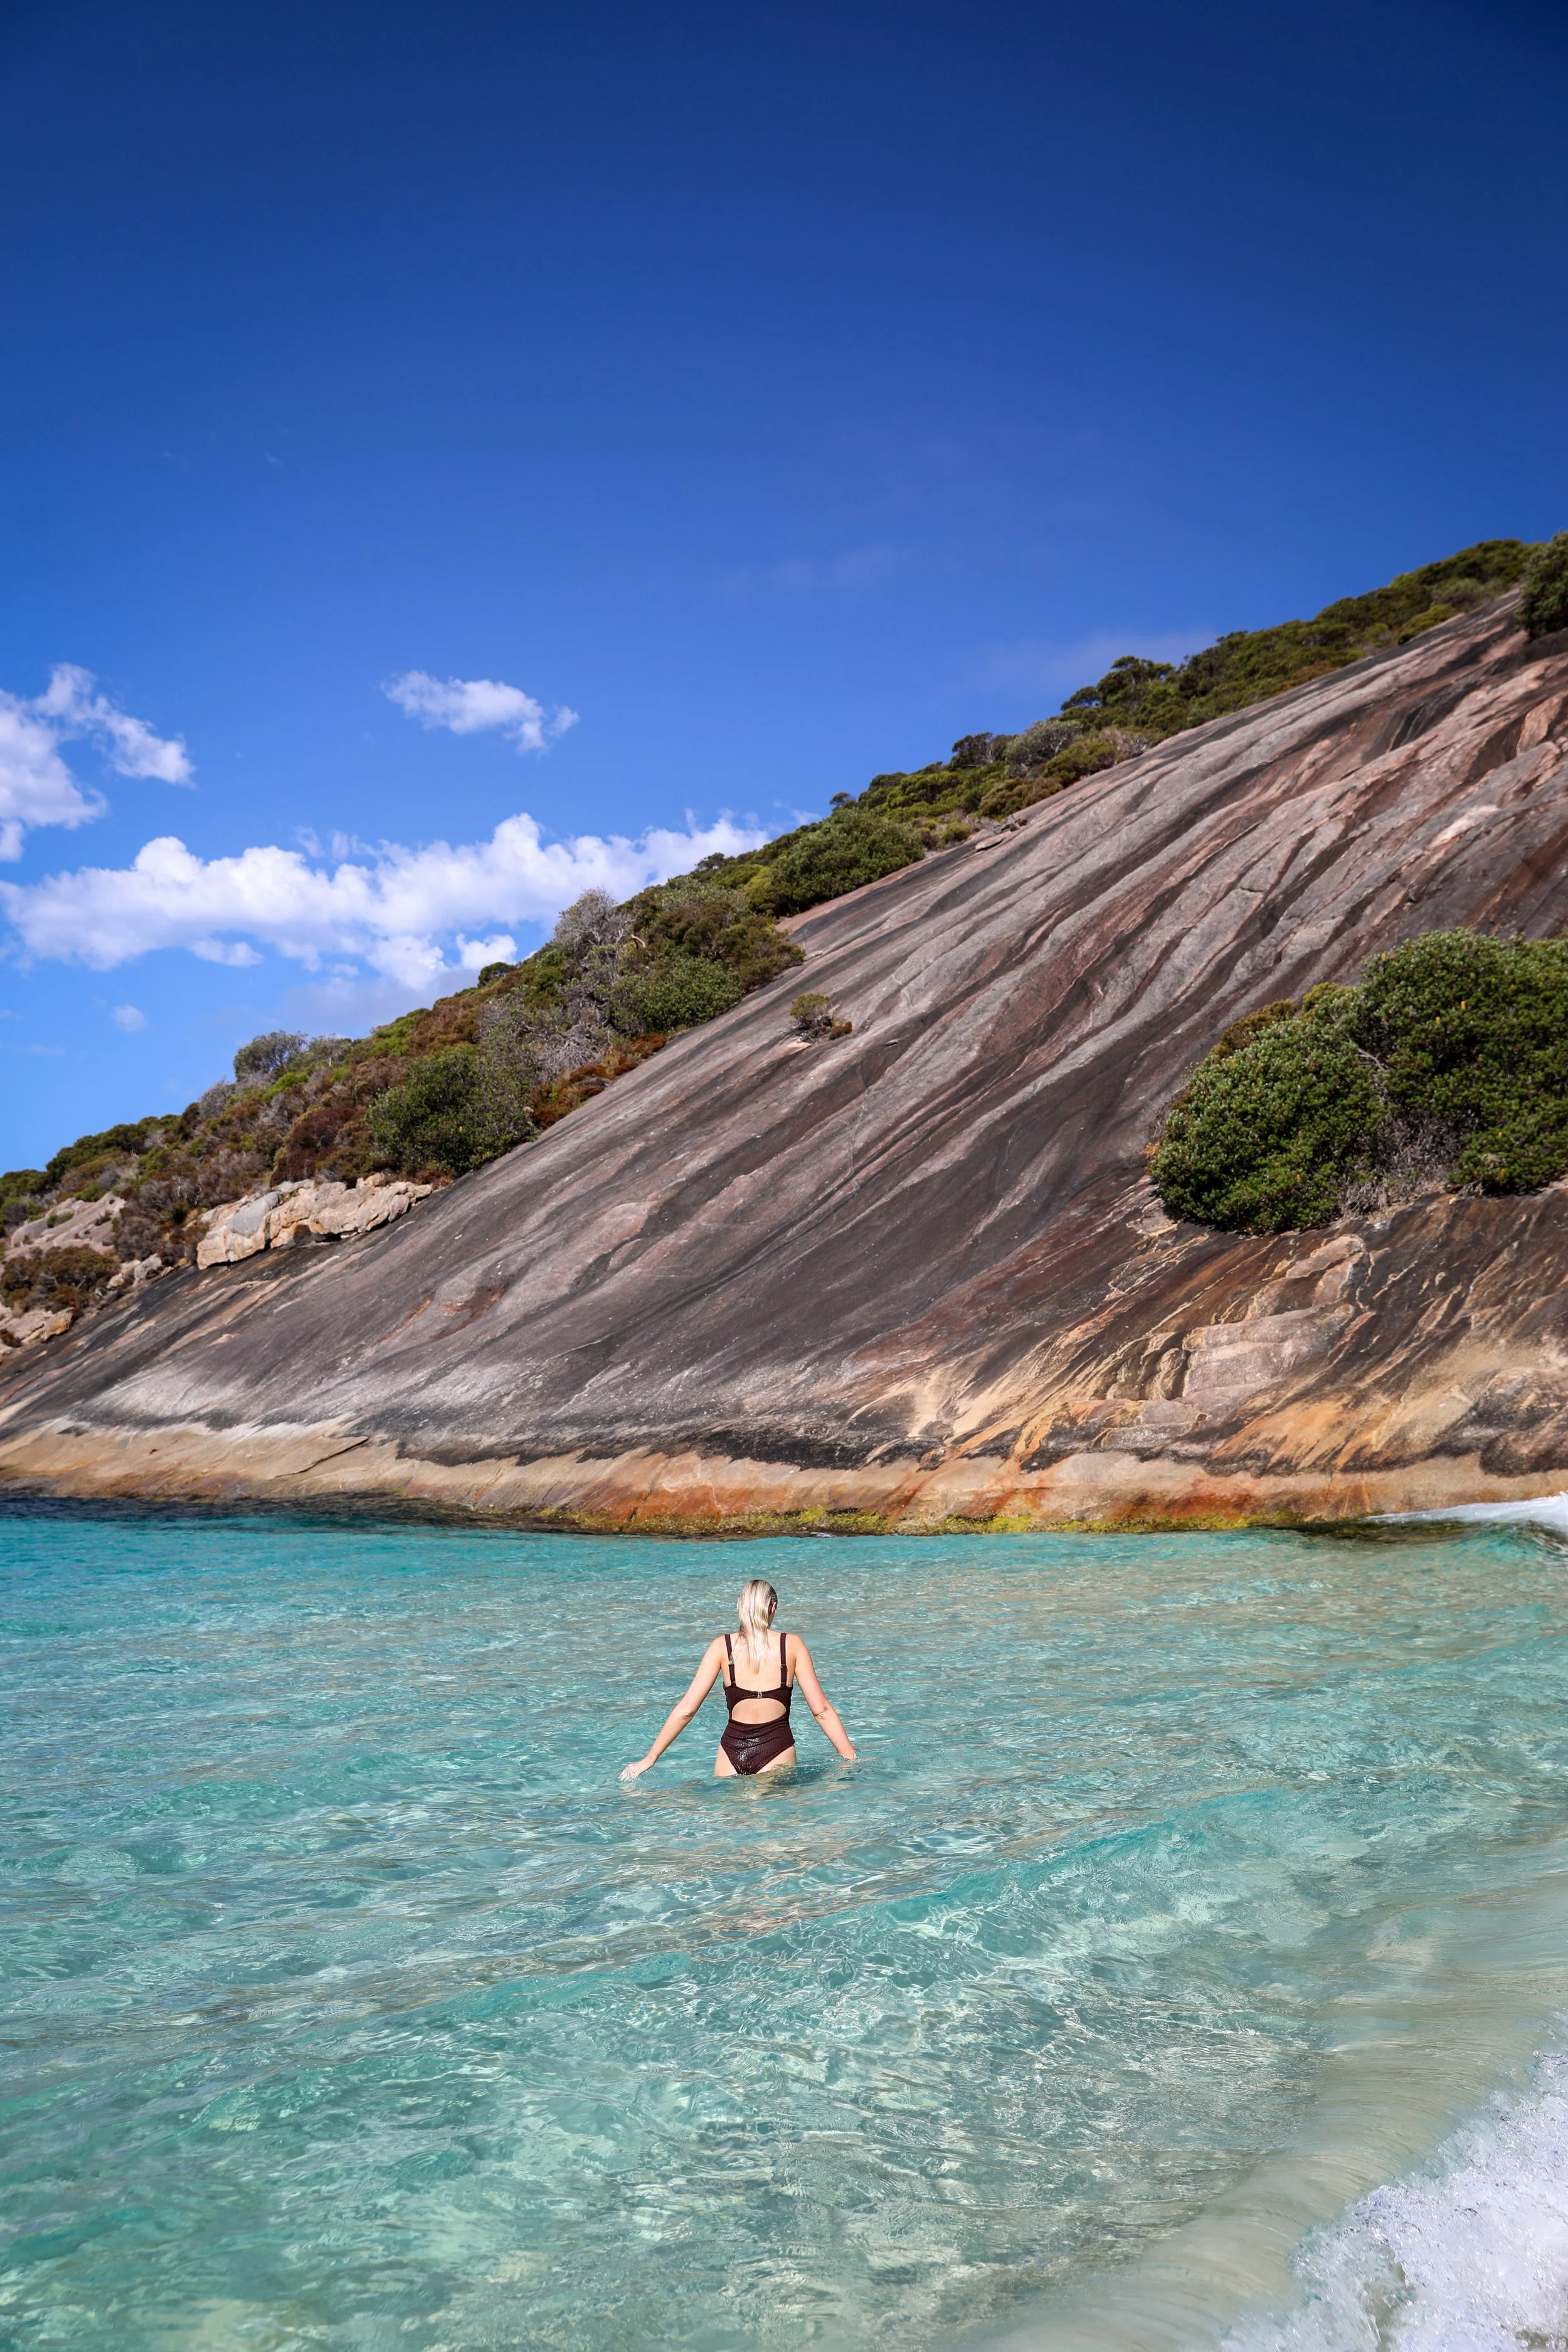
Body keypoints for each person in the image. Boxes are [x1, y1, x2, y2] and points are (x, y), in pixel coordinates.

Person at [620, 1578, 857, 1779]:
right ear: (773, 1607)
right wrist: (850, 1758)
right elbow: (821, 1711)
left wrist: (650, 1758)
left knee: (730, 1827)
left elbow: (686, 1710)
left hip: (731, 1752)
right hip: (777, 1749)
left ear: (738, 1607)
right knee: (777, 1828)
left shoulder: (722, 1647)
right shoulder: (791, 1645)